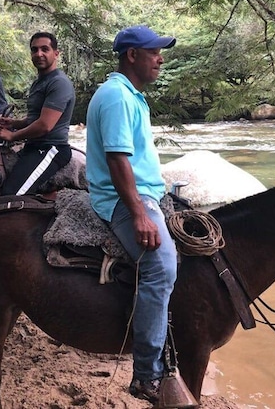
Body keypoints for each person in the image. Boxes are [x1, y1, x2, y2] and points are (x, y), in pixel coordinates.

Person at [85, 25, 178, 402]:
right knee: (162, 265)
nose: (160, 58)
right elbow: (118, 160)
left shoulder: (131, 95)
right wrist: (139, 214)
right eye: (154, 52)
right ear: (132, 56)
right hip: (123, 200)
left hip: (145, 193)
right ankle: (146, 374)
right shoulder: (117, 97)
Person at [0, 32, 75, 196]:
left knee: (12, 195)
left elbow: (44, 126)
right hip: (34, 147)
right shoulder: (39, 82)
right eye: (34, 50)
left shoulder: (58, 82)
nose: (39, 54)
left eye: (44, 49)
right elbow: (34, 119)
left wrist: (12, 136)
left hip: (51, 148)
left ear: (56, 53)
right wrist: (13, 123)